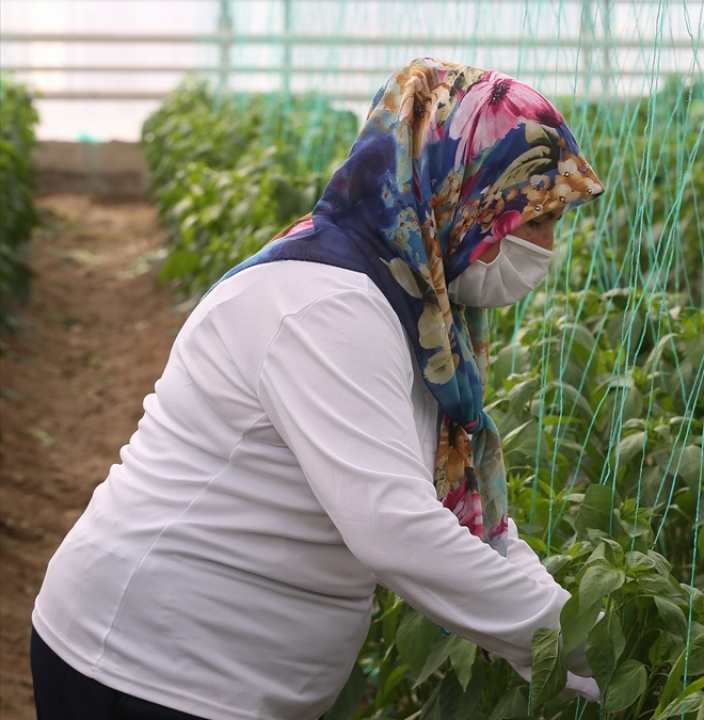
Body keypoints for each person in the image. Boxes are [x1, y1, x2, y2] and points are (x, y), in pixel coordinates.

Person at [29, 57, 605, 720]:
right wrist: (589, 653)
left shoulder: (416, 304)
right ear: (466, 196)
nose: (548, 246)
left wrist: (595, 643)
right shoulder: (329, 307)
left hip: (216, 682)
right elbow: (396, 529)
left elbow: (472, 526)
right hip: (145, 673)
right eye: (537, 220)